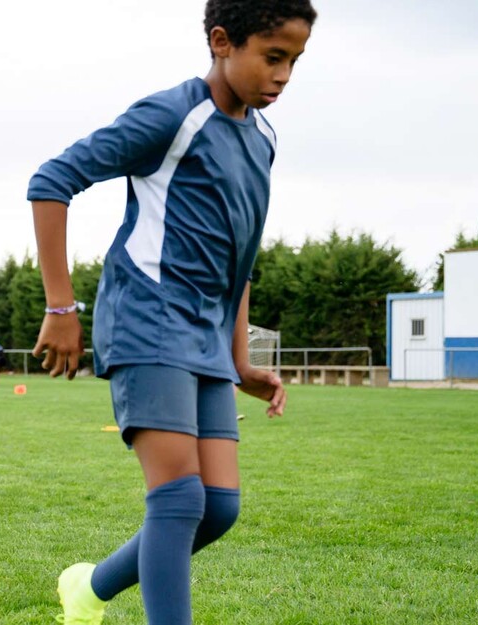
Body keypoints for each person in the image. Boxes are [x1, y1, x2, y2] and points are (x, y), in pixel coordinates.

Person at [26, 1, 314, 623]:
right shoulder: (173, 115)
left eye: (294, 60)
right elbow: (52, 180)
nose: (284, 74)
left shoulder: (263, 141)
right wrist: (61, 306)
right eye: (272, 56)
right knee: (180, 500)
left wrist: (242, 361)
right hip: (147, 319)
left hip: (206, 341)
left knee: (219, 507)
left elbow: (240, 261)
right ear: (221, 42)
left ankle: (89, 588)